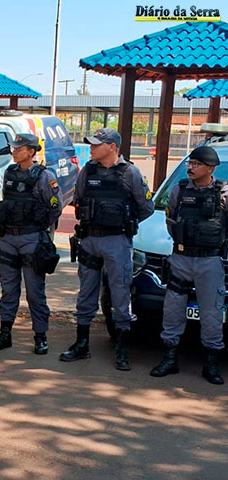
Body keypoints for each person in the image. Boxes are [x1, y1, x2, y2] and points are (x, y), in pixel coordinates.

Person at [62, 128, 154, 370]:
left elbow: (146, 207)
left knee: (120, 295)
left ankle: (122, 350)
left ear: (112, 146)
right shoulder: (88, 171)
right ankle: (82, 345)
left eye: (96, 144)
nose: (91, 148)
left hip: (117, 242)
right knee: (86, 294)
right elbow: (78, 199)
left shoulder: (130, 173)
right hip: (90, 240)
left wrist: (125, 223)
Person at [150, 146, 226, 384]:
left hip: (209, 261)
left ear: (210, 168)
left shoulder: (223, 193)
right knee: (172, 310)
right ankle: (170, 358)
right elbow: (171, 221)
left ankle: (211, 364)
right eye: (189, 163)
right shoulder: (178, 191)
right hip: (181, 259)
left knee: (212, 313)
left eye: (196, 164)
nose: (190, 168)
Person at [0, 134, 61, 355]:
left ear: (31, 151)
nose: (15, 151)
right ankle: (5, 334)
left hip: (32, 239)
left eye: (19, 148)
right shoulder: (10, 172)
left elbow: (55, 208)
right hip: (9, 238)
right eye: (14, 148)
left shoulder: (44, 176)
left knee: (34, 292)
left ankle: (40, 336)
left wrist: (39, 228)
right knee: (8, 290)